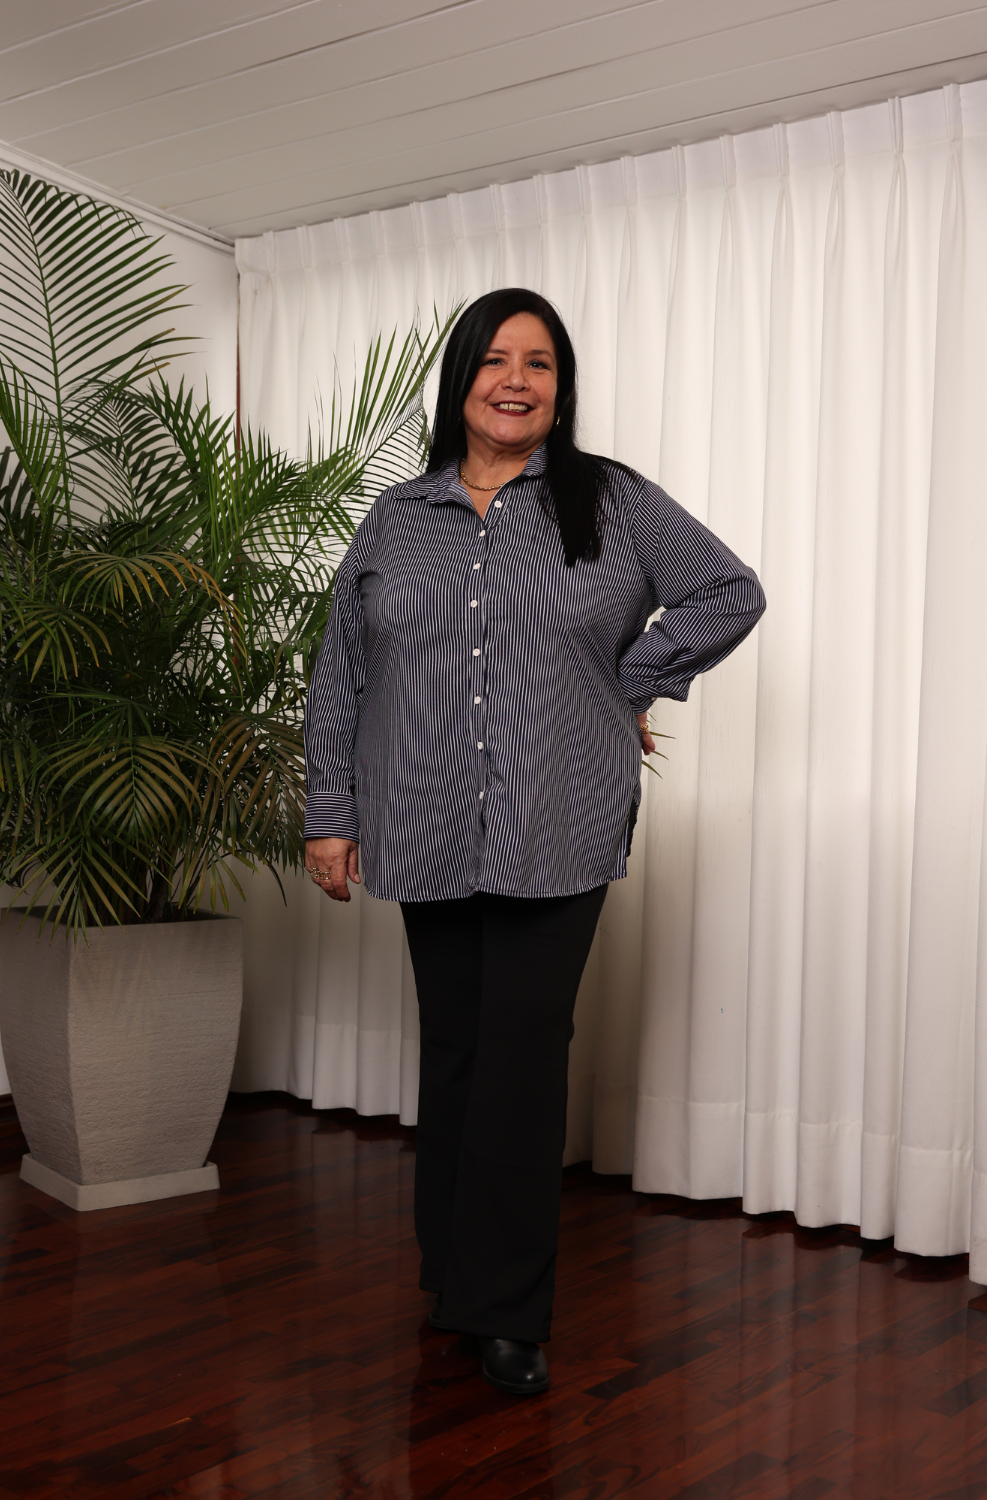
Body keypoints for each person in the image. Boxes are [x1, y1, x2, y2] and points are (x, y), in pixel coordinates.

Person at [303, 288, 765, 1397]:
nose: (517, 380)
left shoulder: (612, 501)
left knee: (519, 1056)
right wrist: (330, 813)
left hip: (557, 822)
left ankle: (505, 1311)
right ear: (461, 379)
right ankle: (452, 1275)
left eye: (540, 363)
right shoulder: (397, 518)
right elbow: (342, 668)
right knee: (457, 1052)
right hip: (419, 820)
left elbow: (726, 592)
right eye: (496, 360)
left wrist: (626, 679)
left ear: (562, 387)